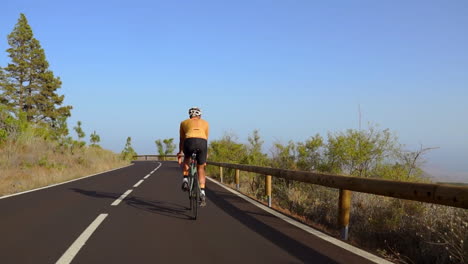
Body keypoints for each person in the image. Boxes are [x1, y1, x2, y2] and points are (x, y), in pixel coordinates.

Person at [177, 107, 209, 207]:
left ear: (190, 116)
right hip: (202, 143)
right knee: (200, 168)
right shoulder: (206, 123)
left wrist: (180, 152)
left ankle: (185, 179)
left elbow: (182, 140)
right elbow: (205, 138)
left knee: (187, 159)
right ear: (199, 115)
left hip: (189, 141)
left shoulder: (183, 123)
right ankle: (203, 193)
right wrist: (204, 157)